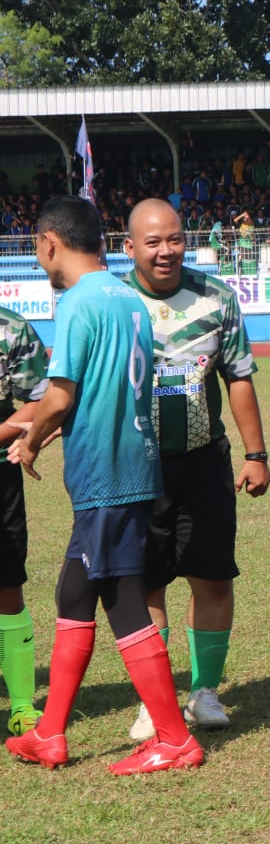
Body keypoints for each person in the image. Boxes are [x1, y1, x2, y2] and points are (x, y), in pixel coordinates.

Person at [5, 195, 204, 775]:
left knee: (121, 600)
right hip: (131, 464)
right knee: (74, 592)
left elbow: (61, 394)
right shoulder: (128, 298)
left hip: (106, 471)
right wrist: (38, 432)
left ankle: (173, 737)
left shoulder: (77, 302)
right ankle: (51, 733)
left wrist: (30, 435)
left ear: (48, 244)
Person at [120, 199, 270, 741]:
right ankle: (153, 699)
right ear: (129, 247)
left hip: (205, 463)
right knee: (145, 583)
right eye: (154, 242)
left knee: (211, 575)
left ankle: (205, 691)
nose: (166, 251)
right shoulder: (115, 304)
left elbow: (238, 377)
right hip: (135, 468)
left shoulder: (217, 298)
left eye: (175, 239)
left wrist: (256, 455)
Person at [0, 307, 47, 737]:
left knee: (7, 583)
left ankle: (20, 705)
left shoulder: (12, 328)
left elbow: (39, 397)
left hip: (0, 474)